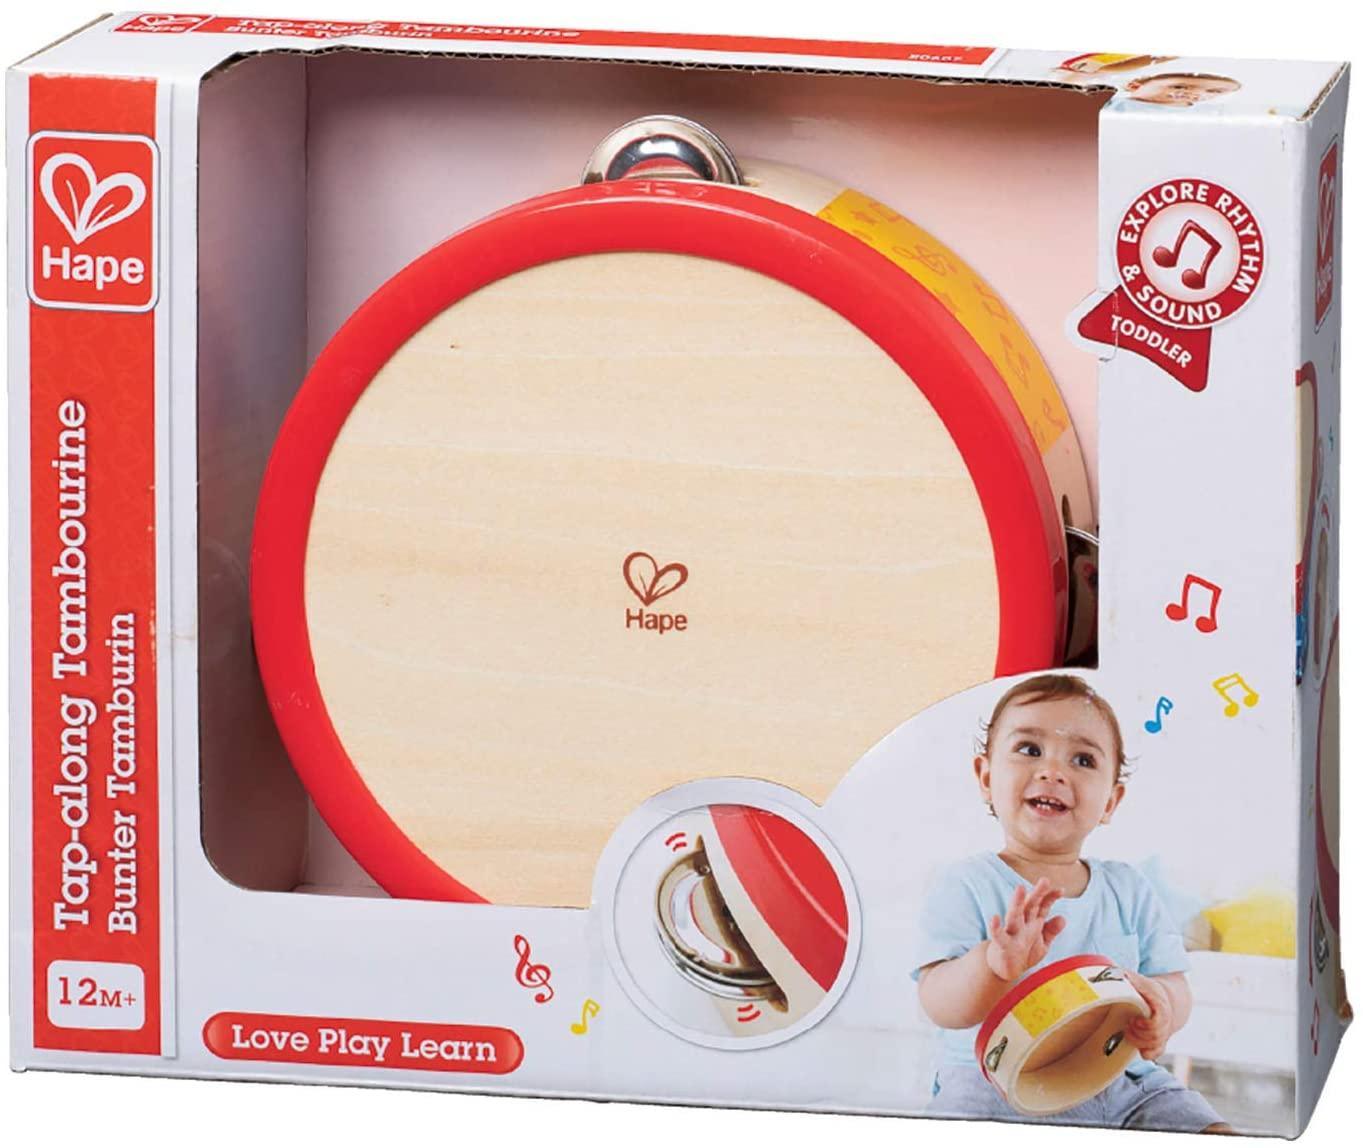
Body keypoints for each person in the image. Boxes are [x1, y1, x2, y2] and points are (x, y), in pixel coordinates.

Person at [913, 674, 1229, 1132]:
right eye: (1029, 749)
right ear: (986, 776)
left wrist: (1163, 1005)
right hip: (996, 1085)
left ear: (1111, 801)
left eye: (1083, 759)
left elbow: (1172, 982)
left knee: (1208, 1127)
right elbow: (938, 1003)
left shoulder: (1130, 889)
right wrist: (992, 966)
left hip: (1122, 1080)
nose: (1053, 772)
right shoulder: (967, 884)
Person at [1124, 73, 1241, 108]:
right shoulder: (1119, 105)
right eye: (1179, 87)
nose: (1197, 93)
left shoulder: (1206, 113)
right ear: (1134, 86)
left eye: (1215, 91)